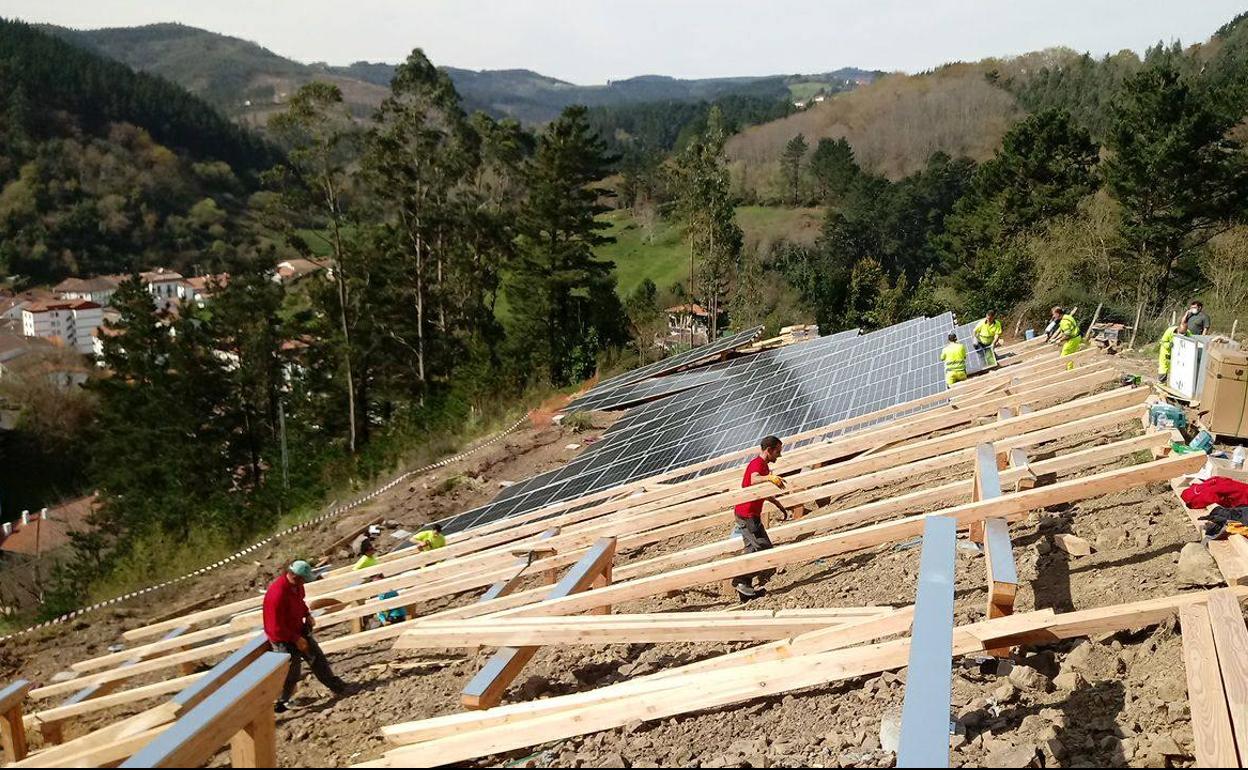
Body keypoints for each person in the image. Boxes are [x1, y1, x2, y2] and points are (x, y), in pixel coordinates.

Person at [263, 560, 350, 713]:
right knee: (291, 673)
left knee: (317, 658)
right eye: (303, 579)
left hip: (298, 629)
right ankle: (282, 703)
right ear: (295, 576)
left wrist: (306, 614)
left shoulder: (297, 586)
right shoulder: (277, 594)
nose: (304, 583)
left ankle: (338, 687)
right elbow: (274, 627)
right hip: (283, 639)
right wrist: (295, 639)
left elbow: (300, 602)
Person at [730, 436, 787, 601]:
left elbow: (759, 490)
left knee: (751, 549)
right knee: (764, 549)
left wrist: (777, 504)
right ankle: (741, 579)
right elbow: (754, 480)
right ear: (768, 450)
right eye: (777, 452)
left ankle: (745, 591)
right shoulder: (757, 464)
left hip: (748, 513)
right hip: (747, 515)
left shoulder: (763, 466)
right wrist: (769, 477)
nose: (779, 455)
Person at [1157, 319, 1190, 384]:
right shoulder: (1169, 331)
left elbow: (1191, 341)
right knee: (1164, 367)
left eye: (1183, 333)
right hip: (1167, 351)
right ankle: (1161, 381)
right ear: (1178, 329)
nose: (1182, 334)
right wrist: (1169, 345)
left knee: (1177, 367)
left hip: (1179, 352)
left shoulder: (1188, 333)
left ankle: (1175, 383)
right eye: (1181, 333)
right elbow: (1162, 341)